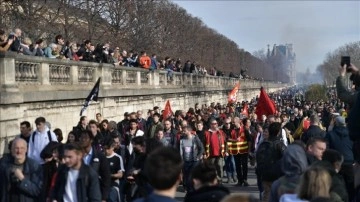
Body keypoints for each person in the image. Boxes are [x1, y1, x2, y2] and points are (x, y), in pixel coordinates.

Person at [79, 130, 111, 202]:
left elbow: (106, 178)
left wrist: (104, 197)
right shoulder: (78, 157)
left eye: (85, 137)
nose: (82, 140)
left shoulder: (100, 157)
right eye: (81, 137)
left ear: (91, 140)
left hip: (96, 194)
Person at [179, 125, 204, 192]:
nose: (183, 132)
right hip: (185, 160)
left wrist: (198, 156)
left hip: (194, 160)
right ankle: (186, 187)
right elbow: (181, 151)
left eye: (185, 131)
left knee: (191, 174)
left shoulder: (195, 138)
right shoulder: (182, 140)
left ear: (189, 131)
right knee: (186, 175)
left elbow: (201, 148)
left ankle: (191, 189)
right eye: (183, 131)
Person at [103, 138, 125, 202]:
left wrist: (110, 175)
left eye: (107, 148)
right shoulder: (101, 157)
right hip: (101, 184)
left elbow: (120, 174)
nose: (105, 150)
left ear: (112, 147)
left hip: (113, 185)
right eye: (104, 148)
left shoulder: (117, 158)